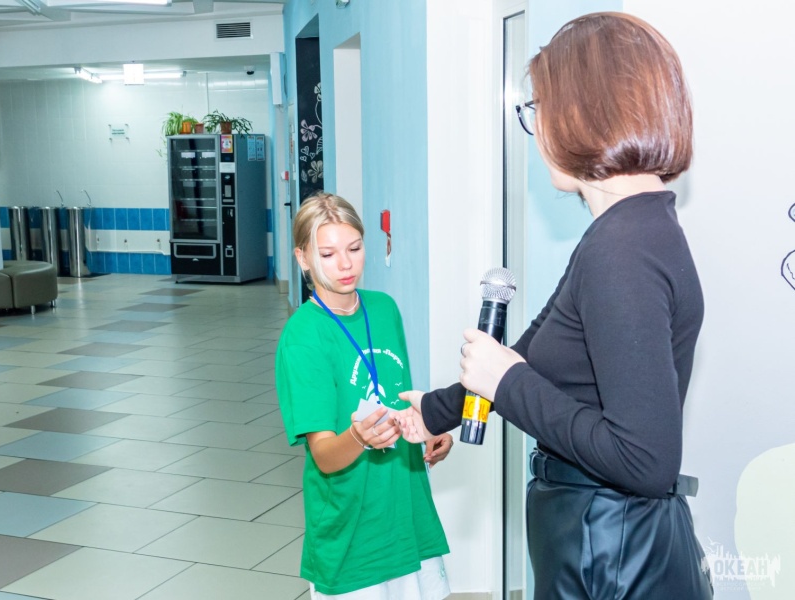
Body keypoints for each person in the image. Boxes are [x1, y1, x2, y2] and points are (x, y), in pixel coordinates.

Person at [397, 12, 713, 600]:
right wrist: (436, 410)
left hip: (610, 551)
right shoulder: (632, 229)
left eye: (539, 108)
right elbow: (534, 357)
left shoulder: (621, 250)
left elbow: (645, 461)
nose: (536, 126)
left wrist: (506, 381)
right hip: (604, 539)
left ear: (580, 112)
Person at [276, 192, 453, 599]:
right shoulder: (303, 337)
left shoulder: (384, 309)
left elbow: (400, 401)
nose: (345, 264)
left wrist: (428, 428)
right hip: (351, 525)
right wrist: (359, 437)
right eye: (328, 254)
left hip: (407, 512)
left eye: (354, 248)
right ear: (303, 258)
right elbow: (324, 455)